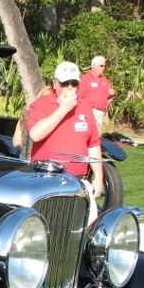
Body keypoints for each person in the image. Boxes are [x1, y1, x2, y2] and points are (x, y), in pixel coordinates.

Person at [26, 61, 104, 201]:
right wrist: (62, 109)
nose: (69, 87)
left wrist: (99, 177)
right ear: (55, 84)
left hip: (77, 182)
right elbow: (35, 135)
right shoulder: (40, 105)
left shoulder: (84, 106)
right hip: (46, 181)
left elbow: (93, 144)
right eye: (65, 83)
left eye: (74, 83)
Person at [79, 55, 115, 133]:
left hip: (101, 113)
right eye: (101, 66)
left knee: (96, 137)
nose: (103, 68)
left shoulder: (104, 80)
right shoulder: (85, 79)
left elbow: (108, 95)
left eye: (104, 66)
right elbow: (80, 96)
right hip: (89, 111)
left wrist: (112, 94)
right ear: (94, 66)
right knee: (89, 134)